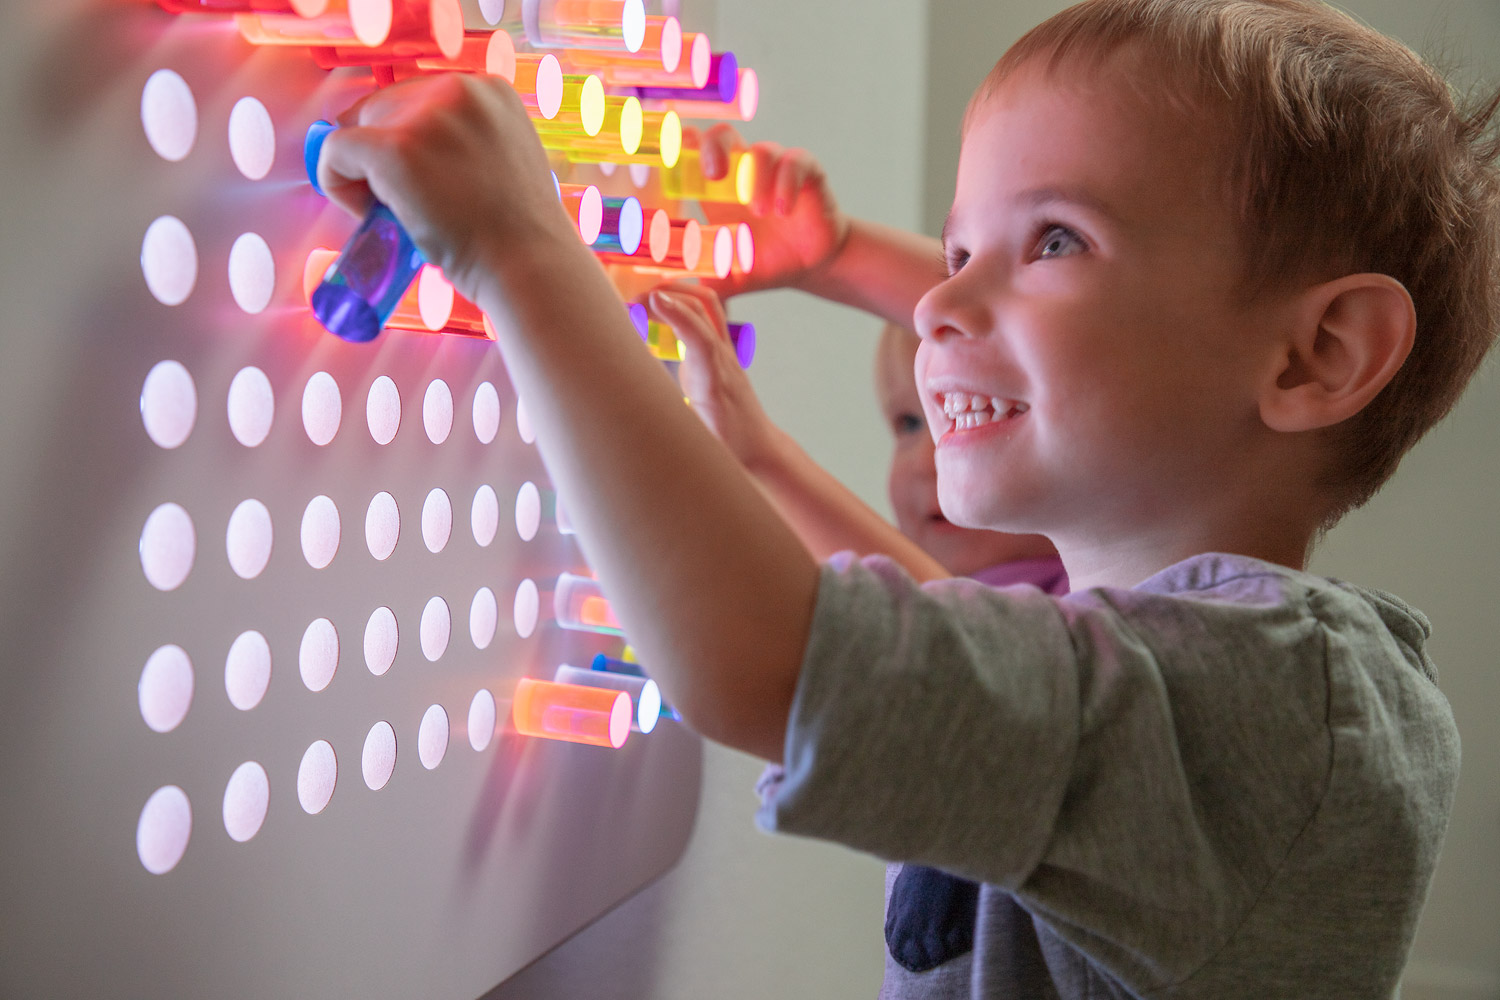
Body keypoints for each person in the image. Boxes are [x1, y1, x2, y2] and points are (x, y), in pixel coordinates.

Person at [315, 0, 1500, 994]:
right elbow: (966, 652)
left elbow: (772, 665)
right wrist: (771, 452)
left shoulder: (1269, 710)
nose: (936, 307)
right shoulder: (1205, 682)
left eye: (1053, 240)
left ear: (1319, 356)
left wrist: (521, 246)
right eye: (951, 254)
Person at [652, 284, 1069, 992]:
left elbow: (951, 636)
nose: (925, 456)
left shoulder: (1097, 609)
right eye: (910, 422)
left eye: (975, 410)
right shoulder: (951, 608)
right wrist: (760, 456)